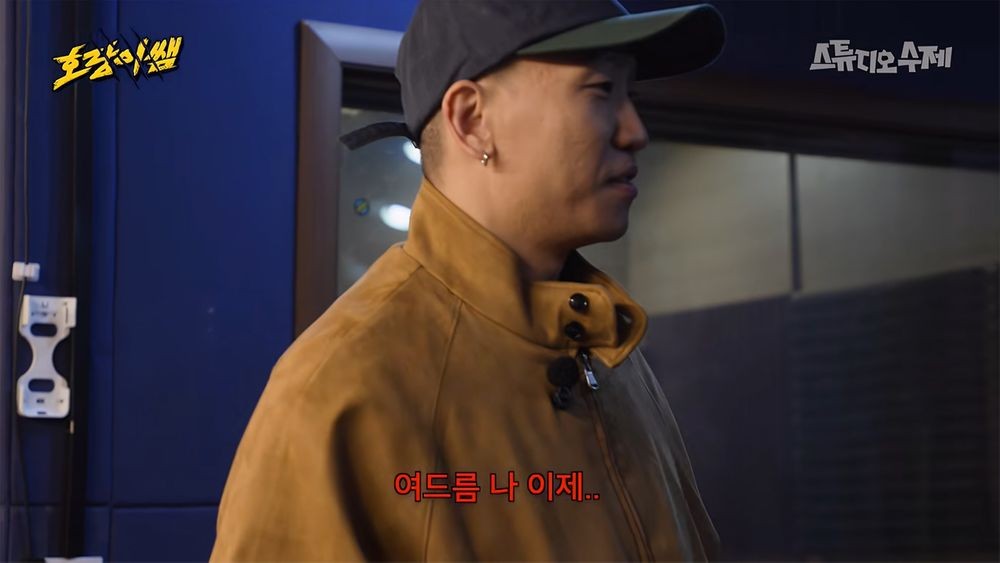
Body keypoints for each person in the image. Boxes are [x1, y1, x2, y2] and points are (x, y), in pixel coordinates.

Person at [210, 1, 726, 560]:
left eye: (632, 96)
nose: (635, 131)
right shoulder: (338, 393)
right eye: (601, 91)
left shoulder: (608, 351)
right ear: (473, 119)